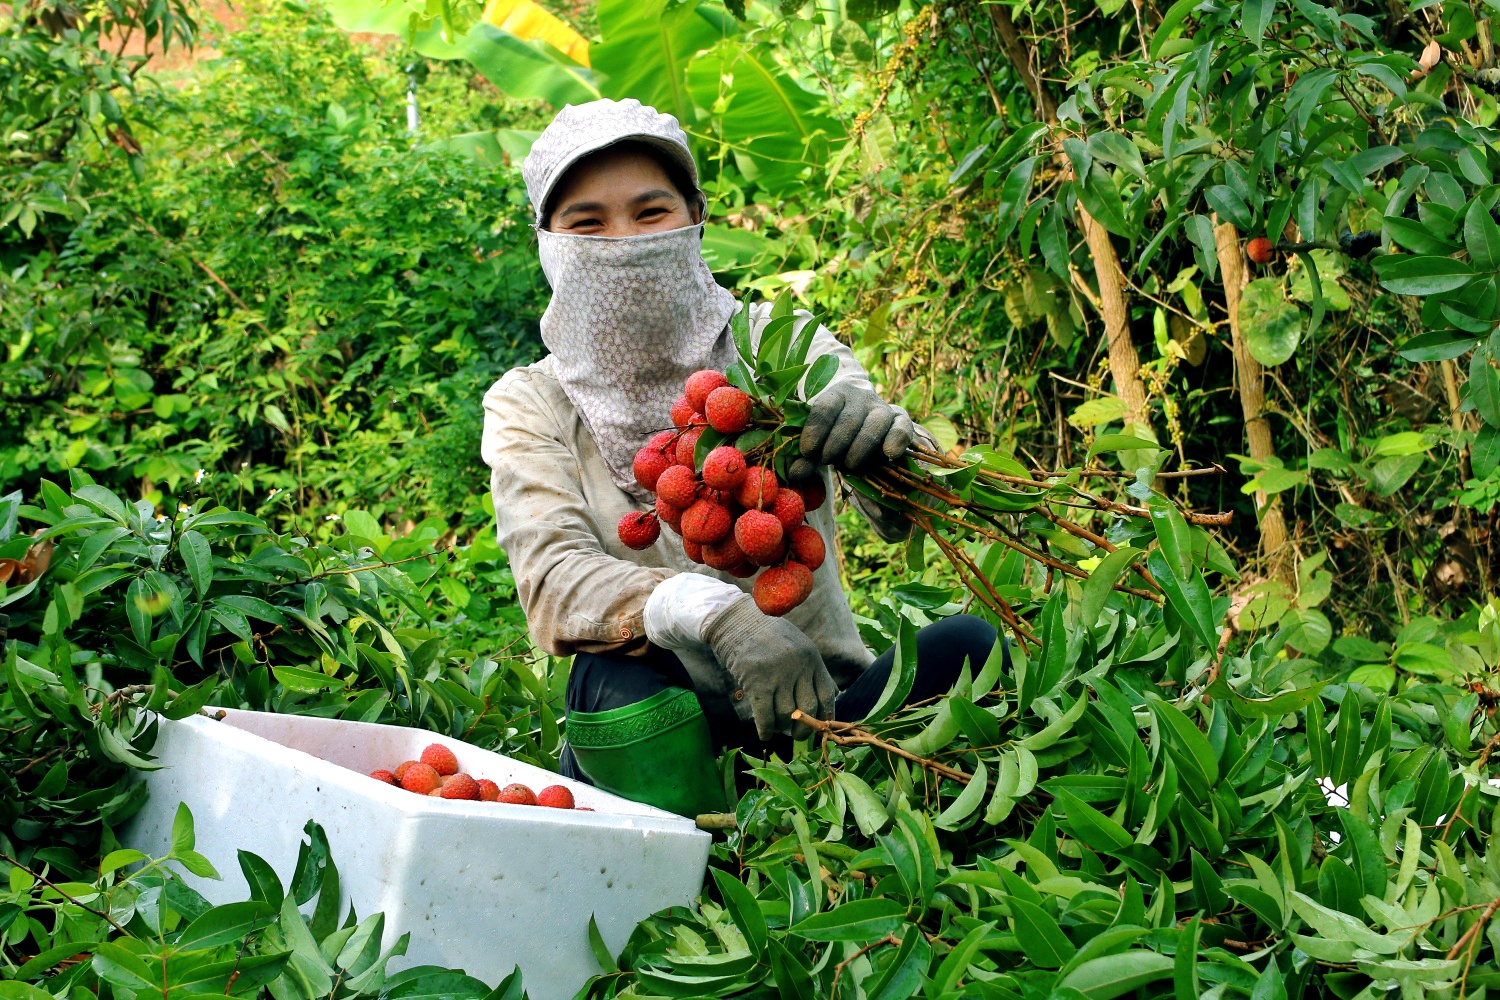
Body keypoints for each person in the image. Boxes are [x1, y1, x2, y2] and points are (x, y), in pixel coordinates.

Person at [481, 99, 1000, 817]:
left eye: (650, 212)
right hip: (659, 717)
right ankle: (684, 847)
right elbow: (553, 579)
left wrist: (884, 445)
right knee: (608, 677)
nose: (623, 240)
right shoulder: (529, 402)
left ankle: (831, 792)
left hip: (823, 708)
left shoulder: (775, 344)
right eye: (588, 223)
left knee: (969, 645)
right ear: (547, 238)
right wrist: (717, 614)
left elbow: (902, 501)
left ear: (695, 214)